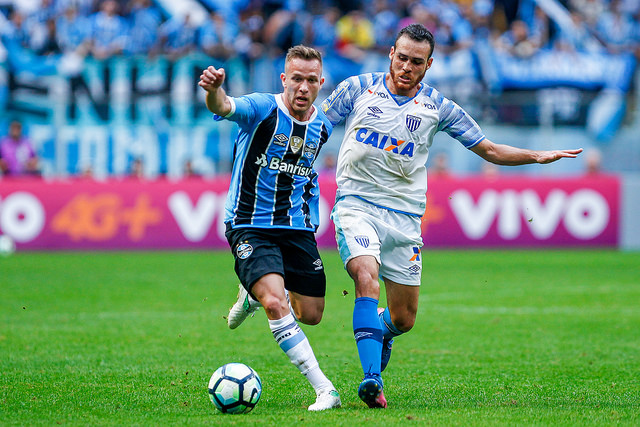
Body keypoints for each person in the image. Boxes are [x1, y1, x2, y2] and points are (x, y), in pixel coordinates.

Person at [320, 23, 583, 409]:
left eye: (416, 62)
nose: (407, 67)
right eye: (402, 58)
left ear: (428, 65)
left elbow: (488, 149)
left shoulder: (437, 107)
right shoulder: (357, 88)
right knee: (365, 276)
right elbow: (316, 130)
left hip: (404, 217)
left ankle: (382, 331)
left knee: (404, 318)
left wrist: (537, 156)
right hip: (355, 204)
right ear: (391, 53)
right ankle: (372, 380)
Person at [198, 45, 341, 411]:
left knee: (311, 314)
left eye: (311, 80)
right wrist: (214, 90)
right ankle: (325, 389)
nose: (303, 87)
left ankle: (252, 294)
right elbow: (224, 106)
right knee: (276, 302)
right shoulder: (262, 108)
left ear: (321, 83)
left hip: (296, 228)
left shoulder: (322, 126)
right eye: (297, 79)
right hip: (249, 224)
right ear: (284, 79)